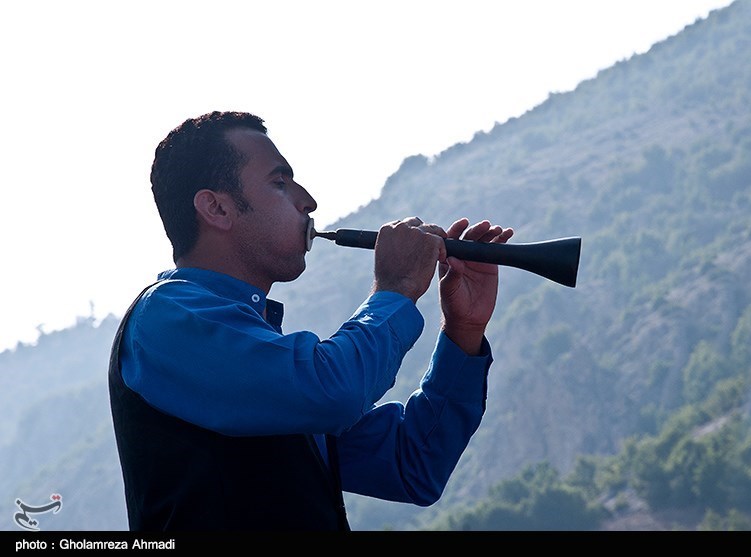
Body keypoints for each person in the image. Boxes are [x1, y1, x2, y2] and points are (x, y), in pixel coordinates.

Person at [108, 110, 514, 531]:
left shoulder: (267, 361)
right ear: (216, 208)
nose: (308, 201)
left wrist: (463, 331)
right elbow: (334, 392)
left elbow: (412, 465)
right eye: (279, 182)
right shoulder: (166, 318)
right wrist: (395, 289)